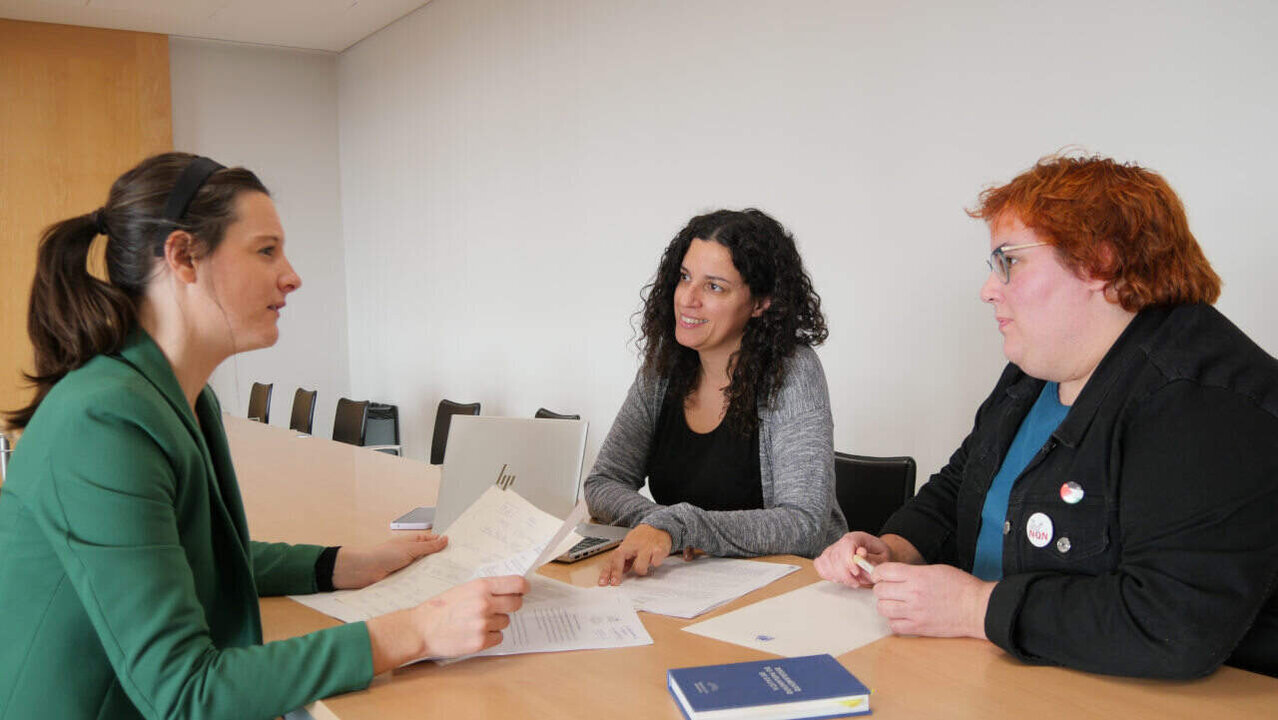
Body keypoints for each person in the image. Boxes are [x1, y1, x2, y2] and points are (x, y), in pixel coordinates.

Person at [0, 153, 529, 720]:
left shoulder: (178, 396)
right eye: (265, 250)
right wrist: (413, 632)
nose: (292, 276)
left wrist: (342, 564)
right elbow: (185, 693)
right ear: (182, 257)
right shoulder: (102, 420)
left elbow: (192, 555)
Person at [815, 155, 1278, 679]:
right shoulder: (1037, 368)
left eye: (1009, 261)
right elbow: (963, 486)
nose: (989, 288)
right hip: (1008, 671)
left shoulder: (1207, 402)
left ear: (1097, 262)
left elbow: (1171, 624)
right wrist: (896, 548)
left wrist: (975, 608)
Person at [585, 209, 846, 586]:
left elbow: (803, 523)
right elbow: (604, 481)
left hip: (787, 595)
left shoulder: (793, 371)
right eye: (685, 278)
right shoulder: (665, 367)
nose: (688, 299)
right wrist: (661, 526)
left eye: (714, 287)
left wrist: (680, 526)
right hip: (687, 587)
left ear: (760, 303)